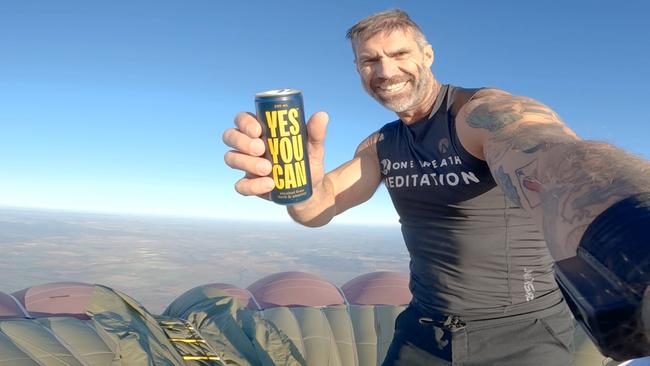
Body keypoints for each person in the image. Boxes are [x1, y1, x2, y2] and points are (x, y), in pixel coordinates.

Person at [223, 9, 650, 365]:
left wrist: (632, 229)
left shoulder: (480, 113)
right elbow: (319, 208)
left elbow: (551, 157)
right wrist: (297, 190)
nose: (386, 71)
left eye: (399, 54)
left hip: (524, 333)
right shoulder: (382, 144)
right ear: (357, 69)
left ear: (427, 54)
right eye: (369, 60)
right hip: (424, 331)